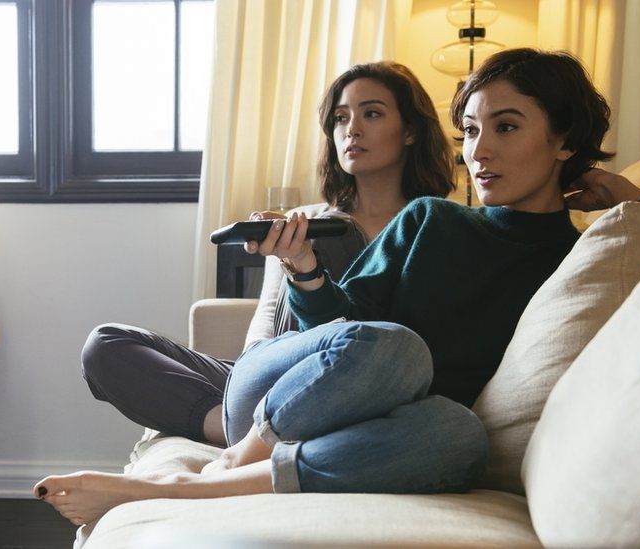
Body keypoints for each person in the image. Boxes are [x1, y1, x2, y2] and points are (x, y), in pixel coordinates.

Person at [35, 48, 640, 526]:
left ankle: (193, 485)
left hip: (380, 429)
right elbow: (342, 326)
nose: (479, 150)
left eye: (506, 127)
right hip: (295, 395)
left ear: (564, 139)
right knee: (400, 347)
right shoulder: (432, 219)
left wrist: (637, 205)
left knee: (460, 436)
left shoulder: (581, 260)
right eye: (469, 130)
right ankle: (235, 452)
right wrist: (304, 268)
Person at [80, 61, 455, 448]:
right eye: (340, 118)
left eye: (372, 113)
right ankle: (240, 430)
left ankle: (254, 428)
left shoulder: (433, 226)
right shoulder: (306, 222)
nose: (352, 129)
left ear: (410, 130)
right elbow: (265, 332)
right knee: (106, 345)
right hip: (275, 370)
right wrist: (288, 262)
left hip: (356, 383)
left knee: (336, 243)